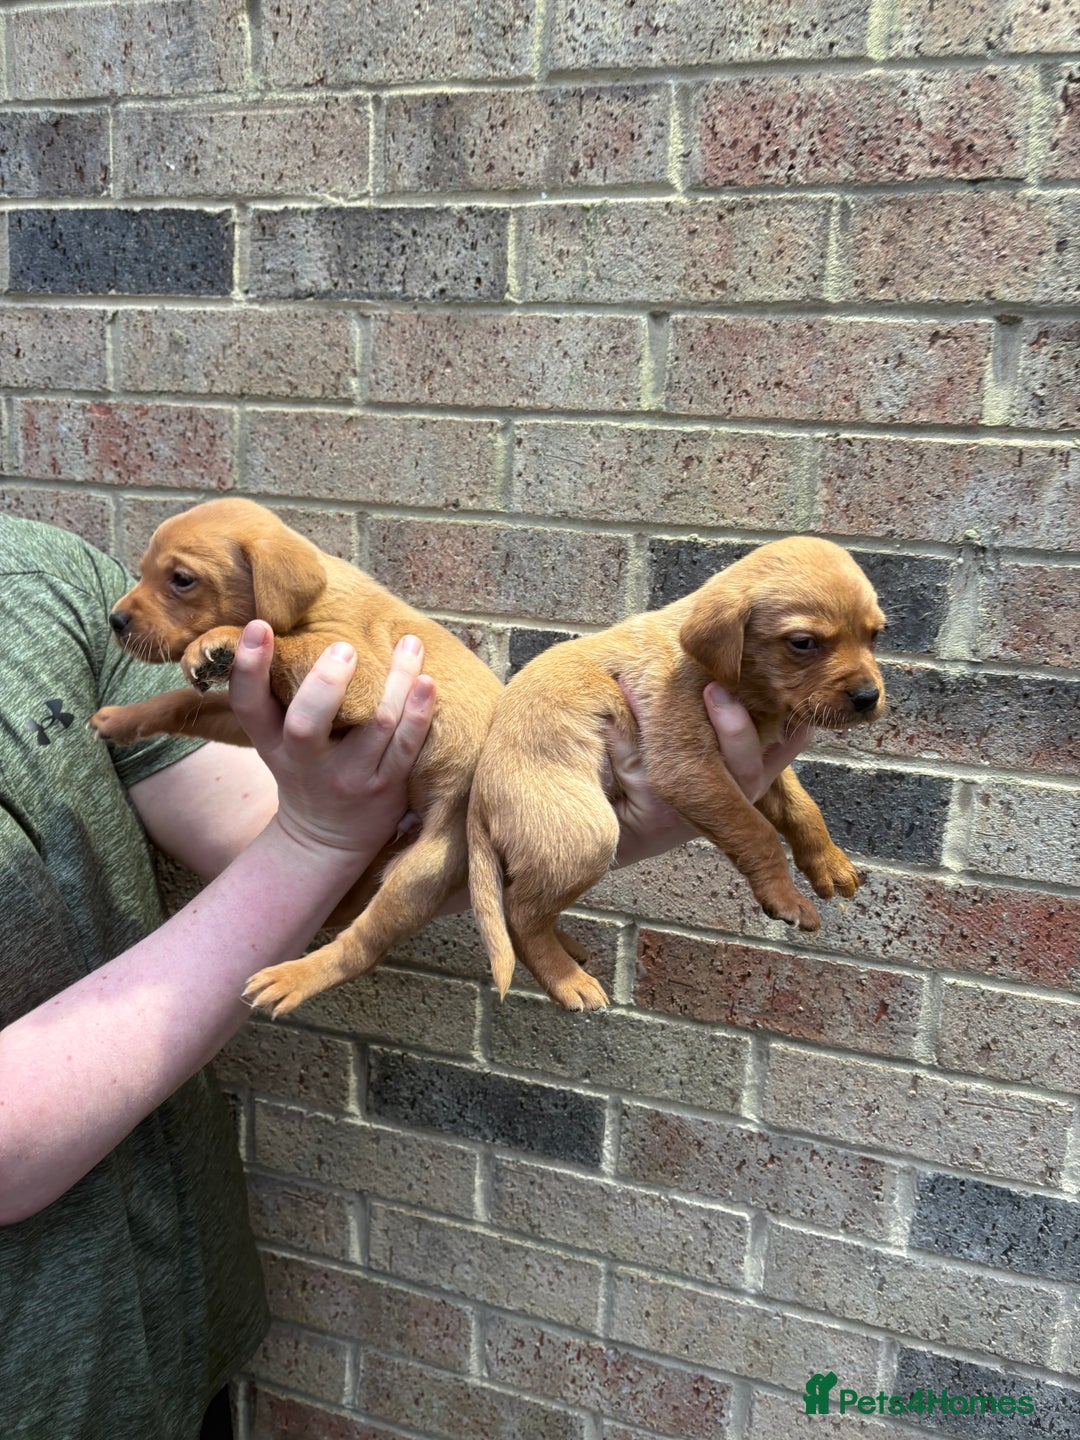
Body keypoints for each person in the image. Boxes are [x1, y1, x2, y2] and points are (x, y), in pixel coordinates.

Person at [0, 512, 811, 1439]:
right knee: (384, 920)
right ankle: (449, 947)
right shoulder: (221, 617)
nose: (135, 605)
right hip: (40, 1385)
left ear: (269, 583)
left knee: (426, 891)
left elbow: (282, 810)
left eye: (175, 582)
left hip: (178, 1316)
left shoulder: (47, 577)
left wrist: (581, 824)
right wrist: (311, 831)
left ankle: (522, 927)